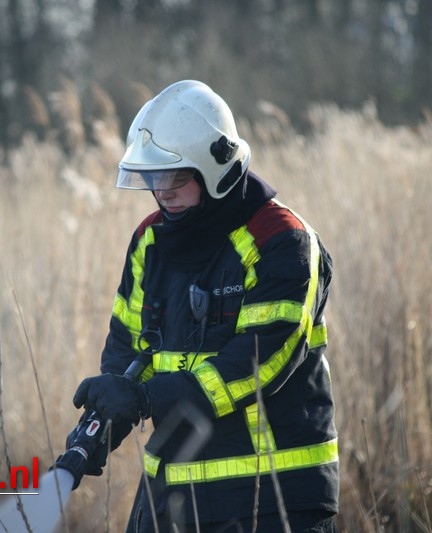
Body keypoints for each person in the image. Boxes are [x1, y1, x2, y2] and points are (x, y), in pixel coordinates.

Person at [69, 80, 338, 532]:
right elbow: (127, 346)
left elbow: (257, 363)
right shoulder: (150, 241)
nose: (162, 192)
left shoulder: (281, 241)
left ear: (217, 168)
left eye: (174, 176)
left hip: (272, 500)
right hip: (171, 496)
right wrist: (107, 415)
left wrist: (146, 398)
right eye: (151, 177)